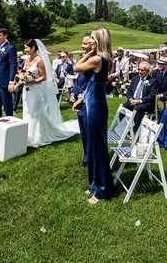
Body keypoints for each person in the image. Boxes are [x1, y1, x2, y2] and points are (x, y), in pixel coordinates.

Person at [74, 27, 115, 204]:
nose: (89, 40)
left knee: (98, 149)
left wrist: (89, 52)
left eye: (92, 38)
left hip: (96, 107)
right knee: (92, 146)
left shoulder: (98, 59)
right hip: (92, 103)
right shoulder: (103, 58)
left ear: (98, 40)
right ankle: (95, 183)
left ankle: (103, 190)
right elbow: (92, 84)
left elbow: (76, 67)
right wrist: (82, 99)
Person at [18, 39, 79, 148]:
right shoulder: (27, 60)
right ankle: (28, 135)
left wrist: (31, 81)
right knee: (28, 111)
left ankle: (38, 137)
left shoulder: (39, 60)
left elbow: (43, 77)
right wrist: (20, 77)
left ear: (33, 48)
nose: (25, 50)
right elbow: (24, 72)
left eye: (27, 47)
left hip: (36, 90)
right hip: (27, 90)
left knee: (36, 112)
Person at [71, 34, 94, 167]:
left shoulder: (94, 61)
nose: (82, 46)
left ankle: (90, 160)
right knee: (84, 134)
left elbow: (91, 84)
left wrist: (81, 98)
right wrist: (73, 92)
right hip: (80, 103)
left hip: (87, 103)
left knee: (89, 134)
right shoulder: (85, 59)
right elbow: (79, 79)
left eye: (85, 44)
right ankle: (87, 158)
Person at [122, 61, 158, 132]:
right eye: (138, 69)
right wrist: (130, 99)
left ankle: (136, 130)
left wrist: (139, 101)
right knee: (124, 107)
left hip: (145, 103)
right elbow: (129, 91)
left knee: (136, 109)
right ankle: (123, 128)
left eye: (142, 70)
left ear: (147, 71)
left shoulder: (153, 81)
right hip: (133, 100)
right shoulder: (135, 78)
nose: (139, 71)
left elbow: (152, 95)